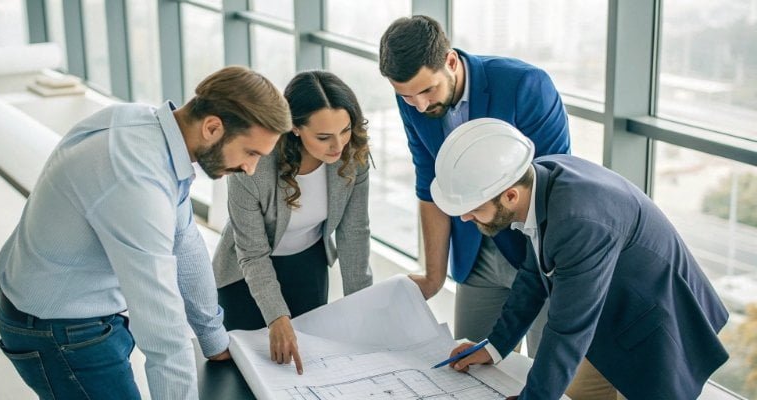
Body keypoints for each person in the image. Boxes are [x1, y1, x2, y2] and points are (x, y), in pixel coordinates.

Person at [0, 66, 291, 399]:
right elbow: (161, 326)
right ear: (212, 127)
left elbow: (187, 244)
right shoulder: (137, 181)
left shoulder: (142, 125)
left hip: (76, 312)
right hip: (58, 331)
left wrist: (213, 339)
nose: (250, 169)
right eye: (251, 153)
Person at [433, 118, 729, 400]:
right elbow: (534, 273)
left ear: (510, 196)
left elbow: (568, 327)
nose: (465, 216)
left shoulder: (578, 219)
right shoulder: (539, 181)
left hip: (656, 333)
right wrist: (496, 346)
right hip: (608, 324)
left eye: (473, 207)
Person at [378, 15, 570, 353]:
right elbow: (429, 183)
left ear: (450, 61)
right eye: (408, 97)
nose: (419, 105)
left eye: (427, 90)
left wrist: (539, 268)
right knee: (468, 365)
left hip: (539, 255)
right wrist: (433, 277)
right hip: (475, 253)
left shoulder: (526, 85)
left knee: (543, 370)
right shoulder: (411, 96)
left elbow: (553, 186)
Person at [213, 70, 373, 374]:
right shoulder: (254, 166)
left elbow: (355, 234)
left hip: (307, 264)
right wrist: (276, 316)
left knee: (306, 368)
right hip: (245, 274)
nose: (338, 145)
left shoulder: (352, 157)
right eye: (324, 137)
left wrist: (362, 309)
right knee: (244, 372)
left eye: (345, 130)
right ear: (296, 128)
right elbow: (252, 253)